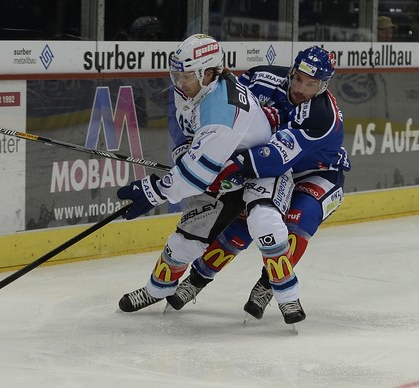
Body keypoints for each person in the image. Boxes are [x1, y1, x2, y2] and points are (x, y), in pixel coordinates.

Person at [167, 46, 350, 325]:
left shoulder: (323, 116)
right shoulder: (262, 78)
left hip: (318, 174)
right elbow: (224, 104)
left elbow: (275, 157)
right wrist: (198, 145)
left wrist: (229, 165)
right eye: (298, 79)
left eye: (311, 84)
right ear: (291, 71)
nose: (301, 88)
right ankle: (196, 279)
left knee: (294, 225)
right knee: (241, 226)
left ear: (324, 86)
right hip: (273, 169)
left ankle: (268, 285)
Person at [116, 34, 295, 317]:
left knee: (266, 225)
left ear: (209, 73)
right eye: (176, 73)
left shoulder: (223, 112)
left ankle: (287, 294)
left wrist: (154, 191)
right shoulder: (194, 87)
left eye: (185, 75)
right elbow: (188, 130)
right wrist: (185, 151)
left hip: (260, 172)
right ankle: (157, 290)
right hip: (222, 169)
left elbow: (195, 176)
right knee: (184, 240)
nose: (178, 81)